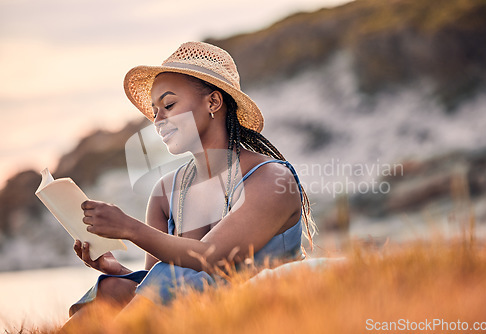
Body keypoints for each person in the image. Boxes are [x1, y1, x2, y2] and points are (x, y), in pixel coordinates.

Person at [64, 41, 316, 326]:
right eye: (154, 110)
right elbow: (155, 282)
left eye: (169, 105)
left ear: (213, 102)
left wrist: (130, 228)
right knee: (110, 287)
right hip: (195, 314)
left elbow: (210, 258)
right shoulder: (164, 192)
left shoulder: (270, 178)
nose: (157, 119)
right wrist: (115, 269)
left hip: (262, 313)